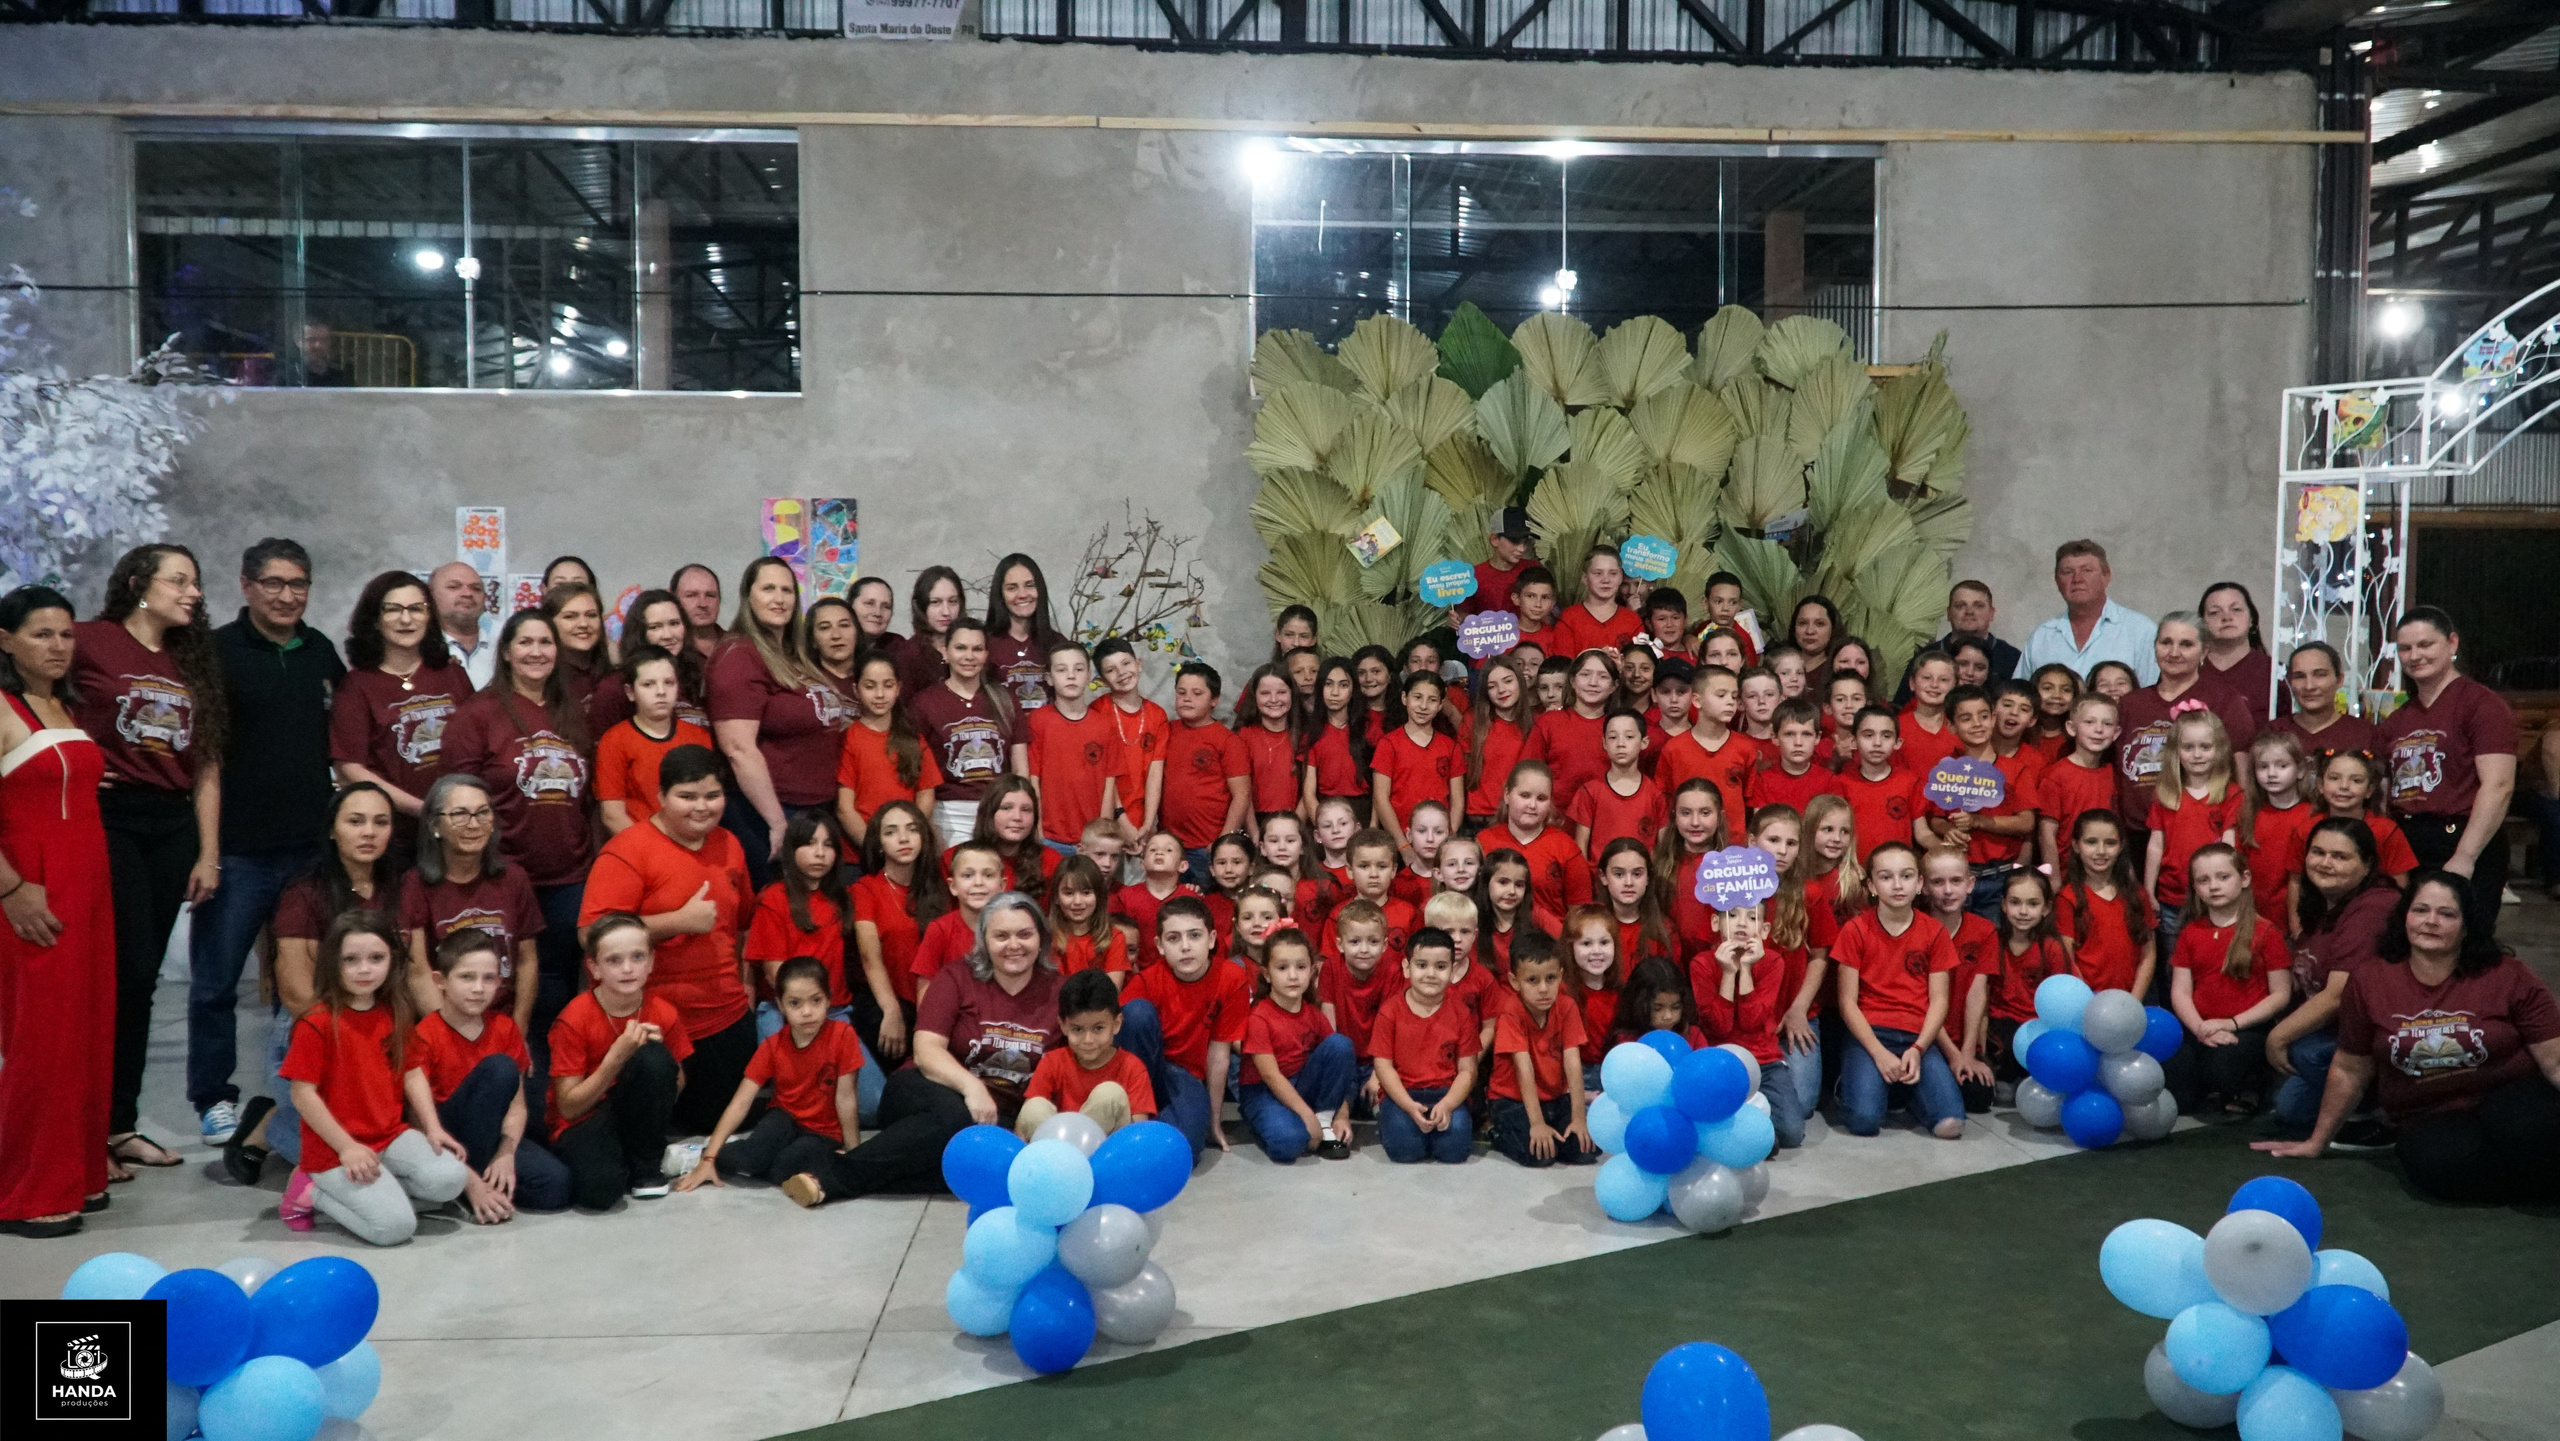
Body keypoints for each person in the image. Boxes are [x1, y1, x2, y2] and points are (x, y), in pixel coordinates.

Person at [2255, 872, 2560, 1204]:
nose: (2431, 922)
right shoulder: (2369, 979)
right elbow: (2350, 1068)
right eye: (2421, 910)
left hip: (2509, 1095)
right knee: (2443, 1166)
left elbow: (2554, 1060)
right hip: (2431, 1112)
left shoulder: (2507, 974)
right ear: (2404, 918)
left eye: (2447, 914)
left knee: (2528, 1128)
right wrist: (2317, 1142)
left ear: (2467, 925)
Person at [188, 538, 345, 1148]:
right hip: (239, 850)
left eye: (298, 584)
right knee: (215, 981)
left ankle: (300, 1091)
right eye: (275, 584)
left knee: (307, 982)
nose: (287, 596)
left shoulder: (320, 651)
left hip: (310, 849)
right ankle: (213, 1098)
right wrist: (206, 852)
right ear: (247, 587)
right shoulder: (218, 652)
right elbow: (203, 754)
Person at [75, 543, 224, 1173]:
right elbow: (29, 701)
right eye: (179, 580)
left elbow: (208, 763)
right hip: (109, 819)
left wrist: (209, 852)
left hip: (172, 825)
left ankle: (119, 1125)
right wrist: (76, 758)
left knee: (143, 978)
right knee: (116, 972)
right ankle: (84, 1132)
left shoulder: (193, 659)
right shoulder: (88, 641)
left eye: (196, 582)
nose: (192, 592)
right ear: (140, 583)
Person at [783, 892, 1063, 1205]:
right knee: (955, 1117)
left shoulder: (1059, 991)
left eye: (1025, 934)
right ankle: (829, 1177)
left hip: (997, 1116)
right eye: (1001, 936)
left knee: (987, 1169)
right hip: (923, 1091)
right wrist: (972, 1087)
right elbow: (926, 1049)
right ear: (984, 939)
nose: (1014, 945)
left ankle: (846, 1170)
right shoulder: (956, 977)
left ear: (1042, 938)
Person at [0, 586, 112, 1237]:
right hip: (33, 888)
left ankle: (78, 1173)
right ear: (6, 639)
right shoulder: (4, 706)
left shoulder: (59, 704)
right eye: (42, 633)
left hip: (88, 884)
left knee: (87, 1032)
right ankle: (26, 1190)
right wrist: (12, 890)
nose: (58, 645)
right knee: (41, 1042)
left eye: (66, 633)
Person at [578, 744, 756, 1138]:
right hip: (648, 1023)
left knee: (719, 1131)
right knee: (643, 1133)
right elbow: (591, 933)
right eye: (687, 797)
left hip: (725, 1016)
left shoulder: (731, 844)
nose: (702, 807)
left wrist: (748, 983)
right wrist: (677, 921)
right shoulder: (628, 849)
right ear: (660, 797)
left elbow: (741, 926)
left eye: (712, 796)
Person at [440, 608, 592, 1038]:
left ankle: (550, 1084)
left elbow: (588, 796)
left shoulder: (571, 713)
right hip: (503, 872)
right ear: (506, 651)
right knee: (502, 983)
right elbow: (456, 793)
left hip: (569, 876)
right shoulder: (479, 714)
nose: (536, 652)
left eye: (545, 642)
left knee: (559, 982)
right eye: (525, 642)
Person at [278, 912, 470, 1243]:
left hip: (389, 1136)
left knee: (451, 1179)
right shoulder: (317, 1022)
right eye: (350, 960)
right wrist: (347, 1147)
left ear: (391, 960)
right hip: (335, 1148)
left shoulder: (394, 1011)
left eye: (376, 958)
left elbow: (411, 1072)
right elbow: (302, 1095)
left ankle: (381, 1194)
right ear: (332, 963)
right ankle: (310, 1191)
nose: (364, 969)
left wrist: (433, 1127)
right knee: (395, 1229)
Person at [242, 782, 399, 1182]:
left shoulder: (399, 888)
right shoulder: (305, 893)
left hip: (378, 1023)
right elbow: (295, 990)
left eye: (380, 822)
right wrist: (350, 1046)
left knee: (389, 1155)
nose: (369, 832)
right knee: (352, 1164)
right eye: (355, 821)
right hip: (311, 1028)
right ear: (332, 829)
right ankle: (270, 1127)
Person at [403, 927, 573, 1220]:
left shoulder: (505, 1028)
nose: (479, 988)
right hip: (445, 1138)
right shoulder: (423, 1034)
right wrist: (469, 1182)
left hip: (492, 1137)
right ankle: (468, 1185)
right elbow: (419, 1123)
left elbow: (517, 1108)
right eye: (467, 977)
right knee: (499, 1068)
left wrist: (506, 1153)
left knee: (557, 1186)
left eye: (488, 978)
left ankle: (490, 1186)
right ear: (440, 981)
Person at [2376, 607, 2518, 940]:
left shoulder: (2482, 705)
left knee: (2464, 946)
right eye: (2405, 649)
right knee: (2408, 943)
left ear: (2452, 643)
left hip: (2464, 839)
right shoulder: (2398, 719)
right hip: (2408, 843)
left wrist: (2465, 857)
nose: (2415, 656)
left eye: (2426, 645)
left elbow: (2498, 786)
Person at [708, 557, 845, 890]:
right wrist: (777, 822)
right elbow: (739, 749)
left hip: (815, 809)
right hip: (771, 813)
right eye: (768, 588)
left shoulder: (789, 653)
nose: (779, 598)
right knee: (776, 913)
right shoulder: (739, 657)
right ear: (748, 596)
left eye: (787, 590)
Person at [674, 958, 867, 1193]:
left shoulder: (843, 1036)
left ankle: (778, 1155)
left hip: (823, 1131)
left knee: (781, 1170)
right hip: (783, 1117)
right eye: (795, 1003)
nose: (807, 1012)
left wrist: (854, 1154)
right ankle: (709, 1150)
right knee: (750, 1160)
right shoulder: (773, 1046)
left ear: (828, 998)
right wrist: (709, 1159)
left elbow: (846, 1098)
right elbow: (741, 1102)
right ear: (781, 1005)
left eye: (815, 1000)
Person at [2263, 818, 2398, 1142]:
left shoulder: (2373, 907)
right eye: (2318, 852)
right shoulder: (2325, 903)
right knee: (2289, 1111)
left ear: (2366, 866)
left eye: (2340, 856)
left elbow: (2338, 994)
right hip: (2339, 1032)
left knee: (2303, 1049)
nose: (2325, 863)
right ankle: (2349, 1107)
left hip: (2379, 1037)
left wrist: (2277, 1037)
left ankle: (2382, 1110)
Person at [548, 913, 692, 1207]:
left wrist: (661, 1064)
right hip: (582, 1120)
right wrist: (615, 1057)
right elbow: (569, 1107)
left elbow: (677, 1087)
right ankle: (619, 1159)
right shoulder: (574, 1018)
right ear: (594, 967)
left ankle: (646, 1166)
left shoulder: (664, 1012)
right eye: (614, 960)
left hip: (632, 1114)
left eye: (637, 957)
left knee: (653, 1057)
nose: (627, 969)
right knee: (601, 1192)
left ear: (651, 962)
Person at [332, 570, 472, 861]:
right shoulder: (357, 686)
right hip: (392, 841)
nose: (406, 620)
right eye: (393, 609)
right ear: (375, 618)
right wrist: (424, 810)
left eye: (416, 609)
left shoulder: (452, 674)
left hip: (458, 833)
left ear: (430, 616)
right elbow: (350, 768)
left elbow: (478, 741)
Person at [1832, 840, 1964, 1139]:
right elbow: (1847, 1003)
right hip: (1870, 1035)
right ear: (1872, 886)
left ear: (1919, 883)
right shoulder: (1855, 930)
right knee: (1864, 1123)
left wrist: (1918, 1050)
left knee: (1950, 1126)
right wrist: (1878, 1053)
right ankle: (1853, 1085)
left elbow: (1939, 1001)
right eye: (1886, 876)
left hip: (1918, 1037)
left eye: (1906, 876)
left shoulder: (1934, 932)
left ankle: (1909, 1094)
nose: (1897, 885)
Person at [399, 774, 542, 1046]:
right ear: (434, 824)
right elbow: (417, 973)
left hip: (502, 1023)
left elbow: (527, 962)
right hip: (443, 1026)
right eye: (460, 815)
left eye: (482, 813)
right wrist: (456, 1038)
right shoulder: (415, 884)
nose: (473, 824)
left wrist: (517, 1031)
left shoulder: (514, 878)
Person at [2162, 844, 2292, 1117]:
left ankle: (2252, 1084)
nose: (2213, 886)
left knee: (2224, 1066)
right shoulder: (2190, 932)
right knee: (2176, 1079)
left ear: (2244, 878)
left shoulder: (2266, 931)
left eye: (2223, 877)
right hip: (2200, 1026)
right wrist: (2200, 1027)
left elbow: (2281, 995)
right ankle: (2209, 1086)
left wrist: (2231, 1024)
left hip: (2247, 1027)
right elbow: (2181, 992)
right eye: (2203, 880)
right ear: (2195, 887)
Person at [1121, 896, 1251, 1160]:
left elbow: (1219, 1054)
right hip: (1143, 1069)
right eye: (1173, 938)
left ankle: (1157, 1127)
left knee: (1186, 1149)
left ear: (1212, 939)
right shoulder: (1145, 982)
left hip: (1185, 1076)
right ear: (1159, 945)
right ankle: (1133, 1123)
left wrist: (1214, 1121)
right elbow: (1122, 1054)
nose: (1185, 947)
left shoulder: (1231, 977)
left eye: (1194, 935)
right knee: (1136, 1012)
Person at [2113, 612, 2258, 832]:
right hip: (2134, 833)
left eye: (2186, 644)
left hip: (2200, 831)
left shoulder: (2224, 700)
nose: (2174, 652)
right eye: (2166, 643)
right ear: (2155, 647)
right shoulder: (2130, 704)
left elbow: (2242, 774)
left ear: (2204, 651)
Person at [1239, 927, 1357, 1162]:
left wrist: (1340, 1116)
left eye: (1301, 967)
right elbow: (1271, 1076)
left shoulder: (1313, 1014)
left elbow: (1340, 1065)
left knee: (1340, 1044)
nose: (1293, 976)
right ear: (1267, 974)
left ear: (1312, 971)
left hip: (1301, 1084)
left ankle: (1323, 1121)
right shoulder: (1259, 1017)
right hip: (1264, 1092)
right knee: (1289, 1143)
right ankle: (1270, 1120)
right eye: (1282, 968)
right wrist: (1305, 1115)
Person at [910, 618, 1026, 852]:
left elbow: (1021, 770)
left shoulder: (1006, 700)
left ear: (986, 654)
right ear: (946, 651)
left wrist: (1019, 813)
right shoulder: (924, 703)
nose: (969, 656)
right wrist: (928, 826)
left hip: (999, 811)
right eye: (961, 648)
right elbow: (917, 775)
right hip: (947, 813)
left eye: (977, 649)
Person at [1371, 926, 1479, 1164]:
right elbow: (1383, 1067)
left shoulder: (1461, 1013)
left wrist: (1448, 1105)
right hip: (1402, 1094)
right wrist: (1409, 1106)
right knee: (1405, 1151)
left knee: (1455, 1151)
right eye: (1422, 965)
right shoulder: (1390, 1011)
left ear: (1452, 971)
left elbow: (1468, 1070)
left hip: (1446, 1093)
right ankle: (1390, 1122)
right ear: (1406, 968)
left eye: (1441, 967)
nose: (1431, 973)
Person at [2145, 710, 2244, 966]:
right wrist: (2148, 890)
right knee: (2173, 965)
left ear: (2219, 749)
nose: (2197, 754)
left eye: (2205, 747)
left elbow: (2229, 846)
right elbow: (2155, 845)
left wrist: (2227, 888)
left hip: (2215, 898)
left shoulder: (2230, 794)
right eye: (2188, 747)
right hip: (2172, 899)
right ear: (2176, 751)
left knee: (2212, 962)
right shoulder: (2165, 794)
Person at [1016, 969, 1156, 1139]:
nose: (1088, 1040)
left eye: (1098, 1028)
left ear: (1116, 1024)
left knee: (1110, 1094)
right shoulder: (1053, 1061)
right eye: (1078, 1029)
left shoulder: (1132, 1067)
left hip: (1107, 1157)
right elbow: (1025, 1123)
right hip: (1057, 1152)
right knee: (1034, 1106)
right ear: (1063, 1026)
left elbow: (1139, 1134)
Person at [594, 645, 714, 833]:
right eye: (648, 684)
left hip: (693, 841)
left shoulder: (699, 737)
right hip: (641, 846)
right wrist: (651, 852)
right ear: (630, 692)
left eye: (669, 682)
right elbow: (612, 815)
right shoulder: (615, 741)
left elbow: (709, 801)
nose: (661, 692)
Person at [834, 649, 940, 851]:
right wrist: (876, 849)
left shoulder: (913, 739)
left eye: (888, 685)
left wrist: (907, 839)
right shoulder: (848, 739)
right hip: (860, 852)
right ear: (856, 689)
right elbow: (844, 808)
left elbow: (926, 795)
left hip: (906, 849)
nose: (880, 694)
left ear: (898, 688)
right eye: (870, 686)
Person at [1024, 640, 1124, 855]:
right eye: (1062, 670)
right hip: (1049, 837)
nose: (1071, 676)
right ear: (1049, 678)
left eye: (1078, 669)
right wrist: (1036, 828)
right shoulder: (1038, 721)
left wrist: (1101, 835)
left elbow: (1109, 784)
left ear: (1089, 675)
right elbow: (1032, 780)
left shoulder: (1104, 725)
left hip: (1091, 841)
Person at [2013, 539, 2158, 686]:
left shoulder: (2140, 631)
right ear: (2057, 581)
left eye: (2087, 570)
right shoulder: (2042, 636)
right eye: (2067, 572)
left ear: (2106, 576)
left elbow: (2151, 697)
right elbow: (2022, 695)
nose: (2077, 579)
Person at [1159, 663, 1250, 885]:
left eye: (1197, 693)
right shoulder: (1166, 731)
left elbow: (1242, 796)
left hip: (1207, 846)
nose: (1187, 698)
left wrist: (1222, 842)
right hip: (1171, 845)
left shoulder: (1227, 741)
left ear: (1214, 700)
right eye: (1181, 693)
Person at [2055, 810, 2156, 997]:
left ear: (2121, 846)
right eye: (2091, 842)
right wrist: (2091, 1002)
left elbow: (2148, 955)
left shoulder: (2137, 895)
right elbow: (2068, 959)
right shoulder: (2067, 898)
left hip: (2132, 1000)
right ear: (2076, 845)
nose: (2101, 851)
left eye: (2110, 843)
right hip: (2087, 1002)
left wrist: (2133, 1001)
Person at [588, 588, 711, 737]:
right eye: (655, 627)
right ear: (639, 633)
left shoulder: (697, 674)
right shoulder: (615, 688)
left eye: (674, 623)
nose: (667, 635)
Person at [1894, 580, 2021, 704]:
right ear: (1948, 613)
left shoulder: (2012, 658)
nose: (1969, 612)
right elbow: (1901, 705)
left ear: (1991, 613)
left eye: (1978, 606)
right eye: (1960, 606)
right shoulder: (1925, 656)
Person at [986, 553, 1063, 712]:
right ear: (1000, 594)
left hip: (1047, 733)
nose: (1022, 594)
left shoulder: (1057, 643)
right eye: (1012, 588)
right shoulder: (985, 644)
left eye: (1029, 585)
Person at [2272, 642, 2375, 759]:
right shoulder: (2275, 732)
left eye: (2320, 675)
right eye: (2299, 676)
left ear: (2339, 680)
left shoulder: (2364, 734)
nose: (2309, 686)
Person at [2199, 581, 2280, 721]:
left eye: (2236, 609)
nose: (2226, 617)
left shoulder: (2275, 673)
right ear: (2202, 624)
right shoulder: (2188, 670)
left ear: (2252, 619)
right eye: (2214, 612)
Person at [1549, 547, 1644, 658]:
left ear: (1620, 578)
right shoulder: (1570, 618)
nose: (1606, 580)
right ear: (1585, 578)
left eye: (1613, 573)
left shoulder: (1633, 620)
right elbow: (1563, 666)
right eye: (1598, 573)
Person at [894, 565, 965, 700]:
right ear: (921, 606)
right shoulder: (908, 656)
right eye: (935, 602)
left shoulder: (972, 648)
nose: (946, 612)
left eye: (952, 601)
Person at [429, 561, 498, 689]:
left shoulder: (503, 650)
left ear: (485, 599)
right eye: (454, 587)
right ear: (430, 596)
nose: (467, 594)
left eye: (476, 588)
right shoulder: (419, 652)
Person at [543, 583, 610, 713]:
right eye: (570, 616)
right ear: (548, 623)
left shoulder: (615, 679)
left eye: (591, 615)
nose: (584, 624)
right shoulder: (540, 680)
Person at [1460, 507, 1536, 618]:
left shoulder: (1535, 570)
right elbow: (1464, 616)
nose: (1522, 549)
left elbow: (1553, 610)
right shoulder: (1473, 576)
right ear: (1495, 539)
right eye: (1515, 541)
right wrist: (1457, 621)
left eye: (1525, 542)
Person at [670, 563, 726, 661]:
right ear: (674, 601)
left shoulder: (739, 646)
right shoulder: (666, 651)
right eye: (692, 595)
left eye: (710, 595)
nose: (703, 604)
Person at [850, 576, 904, 653]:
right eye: (869, 603)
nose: (877, 613)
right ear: (850, 606)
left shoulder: (897, 646)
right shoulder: (836, 643)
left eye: (886, 607)